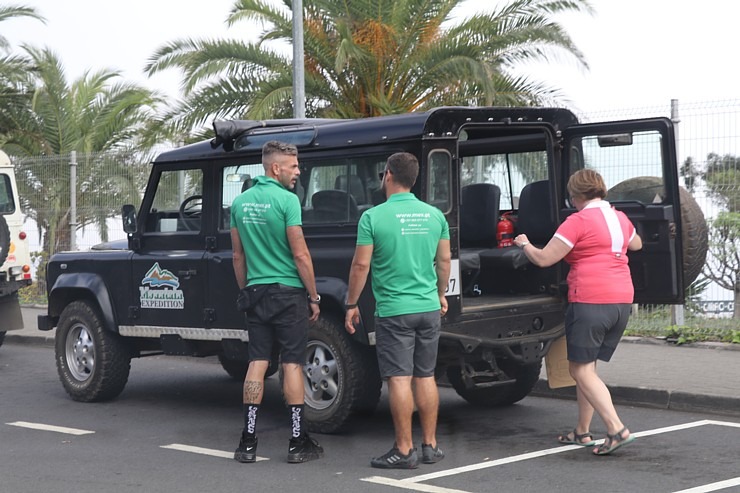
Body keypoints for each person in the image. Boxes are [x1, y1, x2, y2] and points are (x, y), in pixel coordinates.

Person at [513, 169, 642, 456]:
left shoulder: (578, 221)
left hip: (591, 299)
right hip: (622, 299)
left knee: (579, 369)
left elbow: (545, 258)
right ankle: (582, 432)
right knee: (588, 367)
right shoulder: (619, 217)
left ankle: (616, 429)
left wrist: (524, 245)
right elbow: (637, 244)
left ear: (575, 196)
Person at [345, 152, 451, 469]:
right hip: (428, 307)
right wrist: (441, 293)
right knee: (426, 375)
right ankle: (430, 445)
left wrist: (351, 303)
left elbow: (361, 264)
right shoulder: (435, 216)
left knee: (399, 380)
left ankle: (404, 451)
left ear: (388, 174)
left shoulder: (373, 217)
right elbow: (444, 261)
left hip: (394, 311)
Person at [230, 140, 323, 464]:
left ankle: (248, 441)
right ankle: (298, 441)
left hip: (256, 292)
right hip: (288, 294)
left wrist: (247, 289)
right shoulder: (287, 201)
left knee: (257, 362)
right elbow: (300, 253)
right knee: (292, 363)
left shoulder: (239, 203)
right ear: (275, 168)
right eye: (293, 166)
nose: (298, 172)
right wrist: (313, 296)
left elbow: (238, 255)